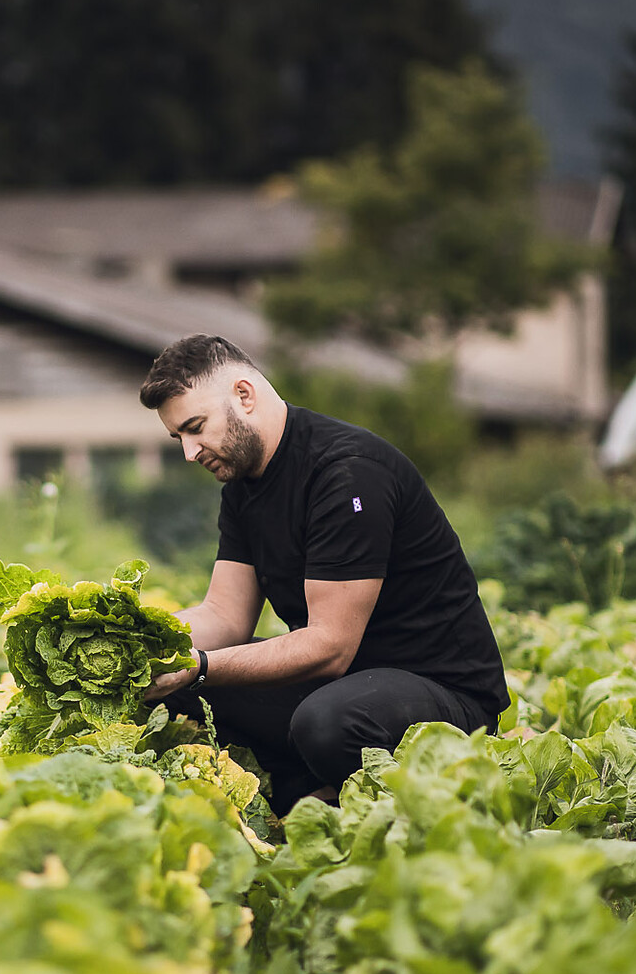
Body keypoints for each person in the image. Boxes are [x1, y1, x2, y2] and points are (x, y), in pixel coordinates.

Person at [137, 335, 507, 814]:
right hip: (345, 685)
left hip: (441, 692)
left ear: (244, 396)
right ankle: (306, 796)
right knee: (178, 694)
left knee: (325, 722)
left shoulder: (347, 472)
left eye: (195, 427)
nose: (190, 452)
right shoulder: (244, 485)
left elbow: (330, 648)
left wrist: (201, 665)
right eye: (178, 438)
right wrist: (137, 642)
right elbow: (224, 616)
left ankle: (340, 799)